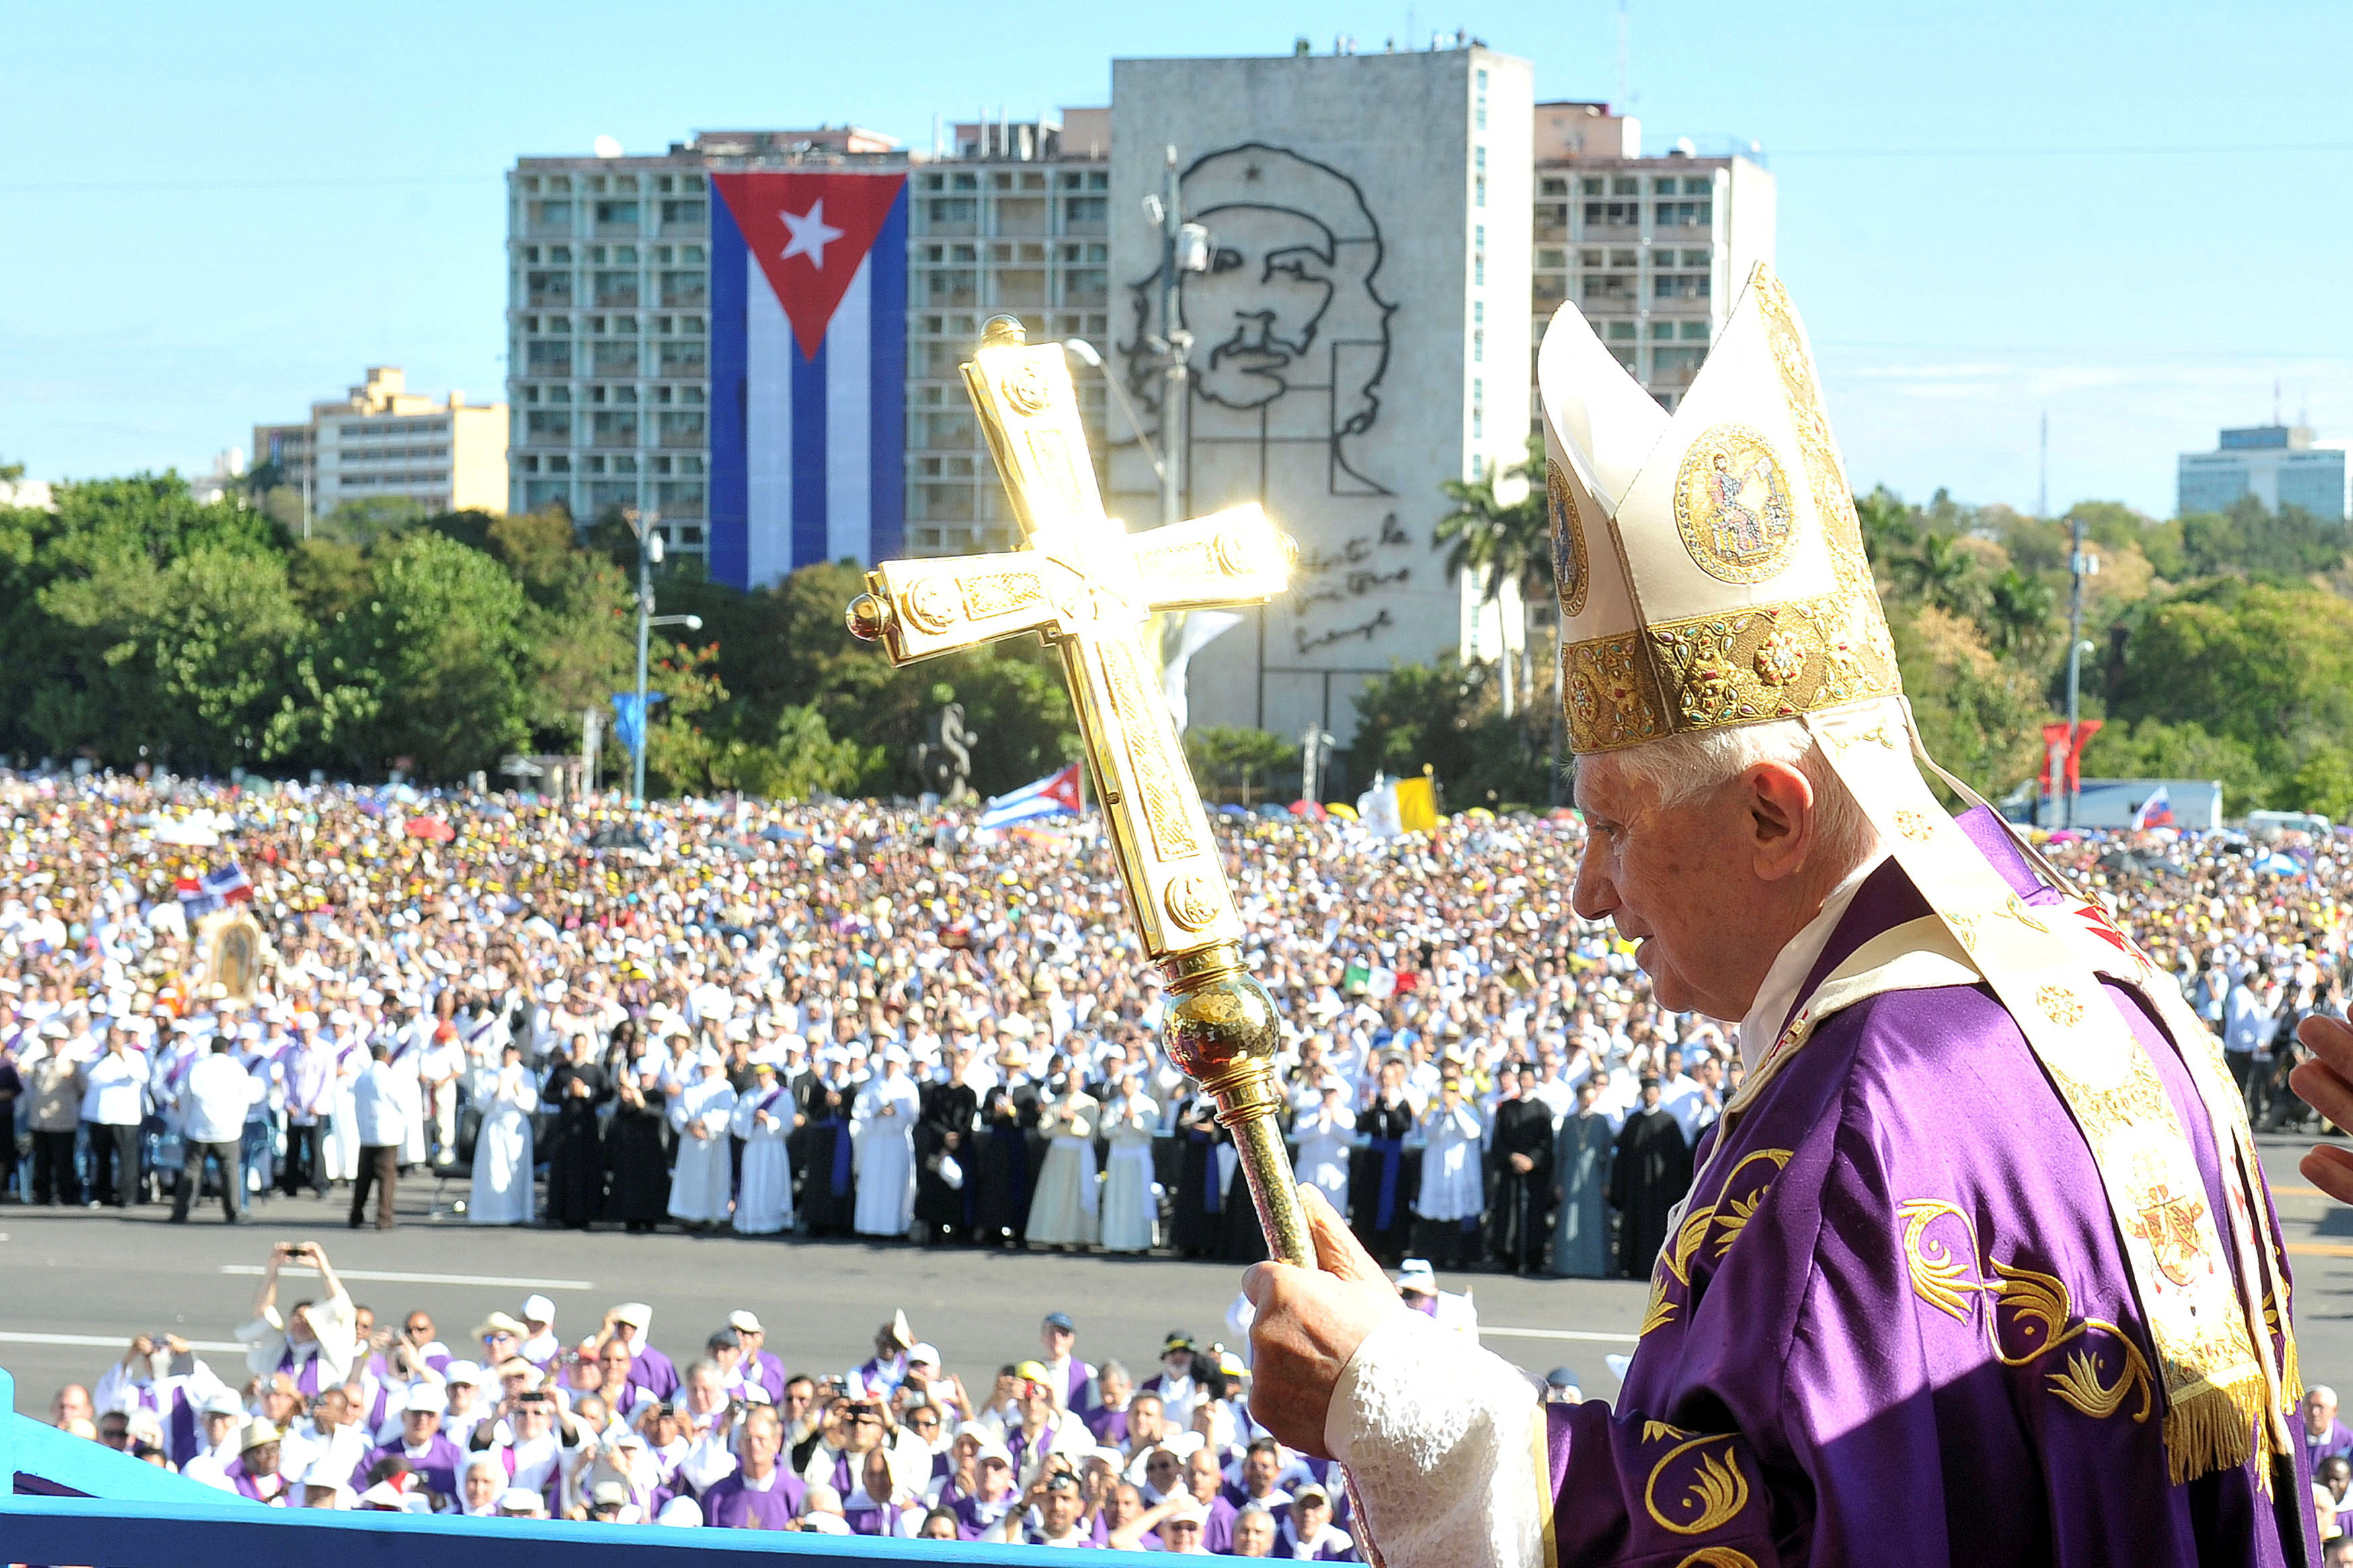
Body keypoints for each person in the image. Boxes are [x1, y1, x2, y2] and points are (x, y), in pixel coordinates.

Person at [1238, 265, 2307, 1568]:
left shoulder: (1872, 1102)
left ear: (1771, 817)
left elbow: (1799, 1539)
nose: (1588, 889)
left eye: (1615, 823)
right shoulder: (2107, 989)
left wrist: (1403, 1408)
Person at [1605, 1075, 1691, 1280]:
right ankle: (1631, 1265)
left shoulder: (1669, 1123)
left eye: (1653, 1092)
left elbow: (1678, 1160)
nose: (1649, 1096)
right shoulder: (1633, 1121)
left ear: (1658, 1094)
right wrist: (1620, 1187)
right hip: (1635, 1187)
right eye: (1646, 1092)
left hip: (1660, 1190)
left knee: (1656, 1228)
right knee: (1633, 1226)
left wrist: (1673, 1190)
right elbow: (1623, 1158)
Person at [173, 1035, 257, 1224]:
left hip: (198, 1128)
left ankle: (181, 1211)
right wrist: (239, 1122)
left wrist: (187, 1123)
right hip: (227, 1129)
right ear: (227, 1049)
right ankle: (233, 1212)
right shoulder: (236, 1069)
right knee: (230, 1172)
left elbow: (185, 1098)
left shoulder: (197, 1068)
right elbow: (244, 1099)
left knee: (191, 1170)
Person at [1484, 1062, 1554, 1274]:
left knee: (1533, 1214)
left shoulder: (1542, 1110)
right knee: (1508, 1213)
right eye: (1522, 1078)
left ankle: (1534, 1258)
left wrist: (1531, 1160)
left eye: (1528, 1079)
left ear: (1534, 1081)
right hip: (1510, 1169)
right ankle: (1508, 1257)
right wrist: (1512, 1157)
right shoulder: (1506, 1108)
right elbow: (1498, 1140)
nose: (1525, 1082)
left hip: (1534, 1174)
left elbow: (1547, 1143)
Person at [1349, 1055, 1419, 1265]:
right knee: (1371, 1203)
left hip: (1395, 1158)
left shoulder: (1402, 1103)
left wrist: (1392, 1107)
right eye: (1383, 1078)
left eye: (1389, 1078)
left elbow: (1404, 1126)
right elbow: (1362, 1127)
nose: (1386, 1082)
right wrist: (1371, 1110)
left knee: (1395, 1204)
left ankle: (1393, 1248)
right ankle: (1372, 1246)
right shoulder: (1375, 1101)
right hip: (1375, 1159)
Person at [1548, 1076, 1613, 1278]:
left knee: (1593, 1222)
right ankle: (1568, 1266)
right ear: (1578, 1098)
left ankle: (1595, 1267)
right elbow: (1560, 1155)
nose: (1588, 1102)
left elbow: (1609, 1155)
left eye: (1591, 1098)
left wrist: (1607, 1181)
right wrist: (1558, 1182)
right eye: (1585, 1098)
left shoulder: (1602, 1122)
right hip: (1570, 1175)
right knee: (1570, 1219)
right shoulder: (1568, 1123)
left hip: (1593, 1178)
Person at [852, 1048, 920, 1239]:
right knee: (873, 1184)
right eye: (887, 1062)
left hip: (897, 1141)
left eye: (893, 1063)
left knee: (895, 1184)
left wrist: (897, 1111)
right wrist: (877, 1112)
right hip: (876, 1140)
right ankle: (870, 1225)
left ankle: (895, 1227)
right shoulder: (872, 1085)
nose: (889, 1067)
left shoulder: (908, 1086)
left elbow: (913, 1115)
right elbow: (859, 1111)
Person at [1026, 1077, 1101, 1250]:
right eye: (1069, 1080)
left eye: (1075, 1080)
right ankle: (1055, 1237)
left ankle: (1081, 1237)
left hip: (1079, 1155)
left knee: (1079, 1195)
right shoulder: (1056, 1103)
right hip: (1058, 1155)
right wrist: (1060, 1122)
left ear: (1081, 1082)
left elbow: (1092, 1130)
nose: (1071, 1083)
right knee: (1056, 1196)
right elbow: (1043, 1129)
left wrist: (1074, 1119)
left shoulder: (1090, 1103)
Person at [542, 1036, 608, 1228]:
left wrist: (586, 1092)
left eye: (582, 1046)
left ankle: (588, 1214)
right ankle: (562, 1214)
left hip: (587, 1129)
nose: (578, 1050)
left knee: (587, 1172)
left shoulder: (595, 1070)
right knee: (565, 1171)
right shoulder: (561, 1070)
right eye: (575, 1046)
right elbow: (547, 1095)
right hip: (565, 1130)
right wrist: (566, 1093)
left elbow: (607, 1093)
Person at [469, 1042, 539, 1227]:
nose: (509, 1055)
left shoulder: (526, 1075)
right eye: (506, 1051)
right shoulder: (491, 1074)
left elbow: (530, 1105)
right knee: (492, 1168)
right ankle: (491, 1213)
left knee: (515, 1171)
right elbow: (480, 1104)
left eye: (513, 1051)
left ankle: (516, 1213)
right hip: (494, 1125)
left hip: (515, 1125)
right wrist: (495, 1093)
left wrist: (518, 1091)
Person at [703, 1406, 807, 1528]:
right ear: (739, 1444)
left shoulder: (796, 1493)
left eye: (761, 1439)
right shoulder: (718, 1495)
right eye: (748, 1439)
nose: (754, 1445)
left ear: (776, 1444)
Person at [78, 1025, 147, 1207]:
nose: (113, 1040)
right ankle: (103, 1194)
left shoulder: (135, 1057)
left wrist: (121, 1056)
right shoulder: (98, 1057)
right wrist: (108, 1055)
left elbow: (141, 1076)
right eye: (111, 1037)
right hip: (101, 1116)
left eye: (117, 1036)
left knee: (127, 1159)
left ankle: (127, 1196)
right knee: (102, 1159)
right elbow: (92, 1076)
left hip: (125, 1116)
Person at [668, 1047, 737, 1229]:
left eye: (708, 1066)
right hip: (691, 1143)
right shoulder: (690, 1088)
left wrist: (704, 1123)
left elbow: (725, 1115)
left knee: (715, 1179)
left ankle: (714, 1216)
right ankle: (690, 1215)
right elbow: (677, 1110)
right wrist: (689, 1125)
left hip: (713, 1143)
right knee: (692, 1180)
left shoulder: (725, 1087)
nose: (705, 1070)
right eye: (703, 1066)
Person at [731, 1059, 797, 1236]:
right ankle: (751, 1222)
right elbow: (736, 1122)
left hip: (773, 1147)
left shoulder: (783, 1096)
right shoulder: (748, 1096)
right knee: (752, 1182)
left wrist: (770, 1120)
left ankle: (773, 1222)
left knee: (773, 1183)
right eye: (758, 1075)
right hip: (754, 1147)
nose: (762, 1079)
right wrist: (751, 1121)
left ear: (773, 1075)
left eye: (765, 1075)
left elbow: (788, 1125)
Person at [1099, 1073, 1160, 1253]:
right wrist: (1119, 1123)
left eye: (1129, 1083)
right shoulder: (1113, 1105)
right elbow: (1104, 1130)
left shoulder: (1148, 1104)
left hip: (1138, 1156)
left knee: (1139, 1199)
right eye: (1123, 1084)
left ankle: (1141, 1242)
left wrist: (1135, 1119)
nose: (1126, 1087)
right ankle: (1116, 1242)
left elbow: (1151, 1128)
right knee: (1117, 1199)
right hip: (1119, 1157)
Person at [348, 1042, 406, 1231]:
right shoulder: (389, 1077)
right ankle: (384, 1217)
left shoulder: (362, 1077)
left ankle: (356, 1214)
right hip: (387, 1134)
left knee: (363, 1178)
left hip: (367, 1133)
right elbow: (400, 1102)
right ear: (386, 1056)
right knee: (386, 1178)